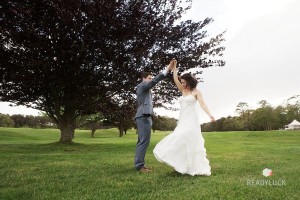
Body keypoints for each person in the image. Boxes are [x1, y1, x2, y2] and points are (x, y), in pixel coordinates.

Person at [153, 60, 215, 176]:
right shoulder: (183, 90)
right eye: (182, 82)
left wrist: (209, 114)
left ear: (189, 81)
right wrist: (174, 67)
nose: (183, 84)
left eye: (184, 82)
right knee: (179, 138)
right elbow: (175, 79)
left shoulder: (197, 92)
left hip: (192, 119)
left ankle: (193, 166)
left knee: (190, 139)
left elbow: (203, 104)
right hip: (182, 119)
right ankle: (182, 165)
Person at [134, 59, 175, 173]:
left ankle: (139, 164)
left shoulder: (145, 89)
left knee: (142, 141)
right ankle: (139, 166)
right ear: (143, 79)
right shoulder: (142, 85)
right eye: (149, 78)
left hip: (144, 116)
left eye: (151, 78)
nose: (151, 80)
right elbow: (155, 81)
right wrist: (167, 69)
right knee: (143, 142)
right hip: (143, 116)